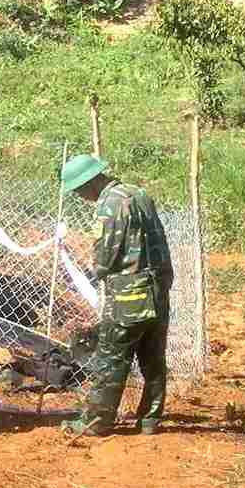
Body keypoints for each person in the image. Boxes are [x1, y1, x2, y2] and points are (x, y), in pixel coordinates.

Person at [58, 154, 174, 437]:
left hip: (127, 294)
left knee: (111, 358)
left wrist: (89, 272)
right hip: (157, 288)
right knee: (153, 358)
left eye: (79, 189)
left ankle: (96, 422)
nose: (80, 195)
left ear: (91, 182)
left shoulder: (109, 205)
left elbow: (106, 255)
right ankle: (149, 420)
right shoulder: (139, 194)